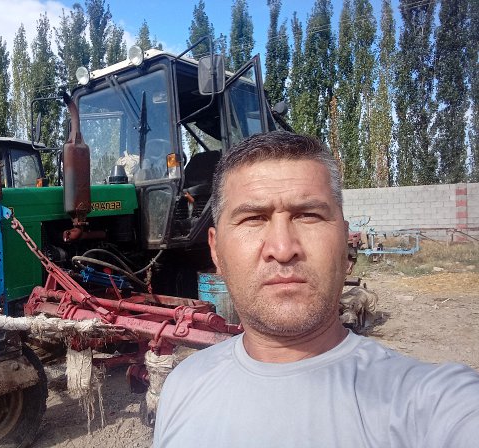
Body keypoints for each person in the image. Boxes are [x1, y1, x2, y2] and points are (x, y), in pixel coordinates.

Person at [153, 131, 479, 448]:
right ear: (216, 251)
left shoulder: (429, 403)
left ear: (345, 244)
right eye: (253, 218)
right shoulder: (182, 385)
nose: (283, 249)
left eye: (308, 215)